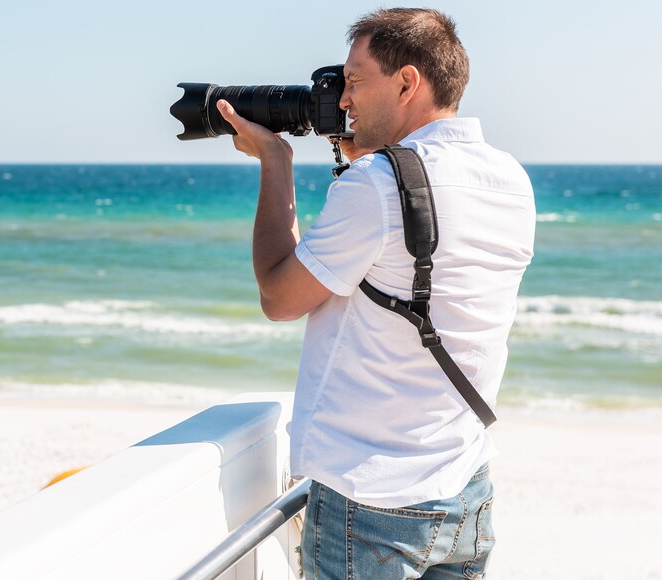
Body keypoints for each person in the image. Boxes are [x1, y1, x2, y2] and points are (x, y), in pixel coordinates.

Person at [217, 8, 534, 579]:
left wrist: (275, 161)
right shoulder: (508, 178)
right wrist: (377, 165)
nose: (342, 101)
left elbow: (279, 298)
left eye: (356, 81)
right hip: (465, 485)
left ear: (407, 82)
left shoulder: (381, 182)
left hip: (371, 502)